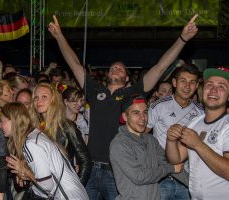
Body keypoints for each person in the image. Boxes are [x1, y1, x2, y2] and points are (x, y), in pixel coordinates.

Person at [48, 13, 199, 199]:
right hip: (91, 168)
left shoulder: (132, 94)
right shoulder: (95, 92)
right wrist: (60, 37)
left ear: (127, 77)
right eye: (113, 67)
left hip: (117, 171)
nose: (116, 67)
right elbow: (74, 64)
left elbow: (160, 67)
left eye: (121, 67)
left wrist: (183, 39)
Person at [166, 67, 229, 199]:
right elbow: (175, 159)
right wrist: (170, 140)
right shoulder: (194, 122)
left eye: (221, 86)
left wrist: (198, 144)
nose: (213, 90)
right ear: (202, 90)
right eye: (209, 84)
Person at [1, 102, 89, 199]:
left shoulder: (32, 143)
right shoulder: (34, 135)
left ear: (13, 121)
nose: (0, 126)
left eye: (2, 121)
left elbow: (47, 185)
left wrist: (25, 171)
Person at [146, 64, 203, 199]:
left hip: (186, 178)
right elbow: (141, 134)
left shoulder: (201, 112)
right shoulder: (159, 106)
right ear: (175, 83)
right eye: (183, 81)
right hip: (161, 177)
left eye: (192, 82)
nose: (187, 86)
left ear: (196, 86)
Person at [110, 95, 182, 200]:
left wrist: (193, 184)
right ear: (125, 117)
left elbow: (169, 163)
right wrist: (170, 169)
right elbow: (139, 177)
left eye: (145, 112)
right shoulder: (119, 144)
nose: (143, 118)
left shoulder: (151, 140)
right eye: (136, 113)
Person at [29, 82, 91, 185]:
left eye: (44, 97)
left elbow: (85, 161)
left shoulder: (66, 126)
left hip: (62, 186)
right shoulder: (32, 127)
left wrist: (76, 188)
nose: (39, 100)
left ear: (53, 100)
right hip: (39, 186)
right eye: (36, 97)